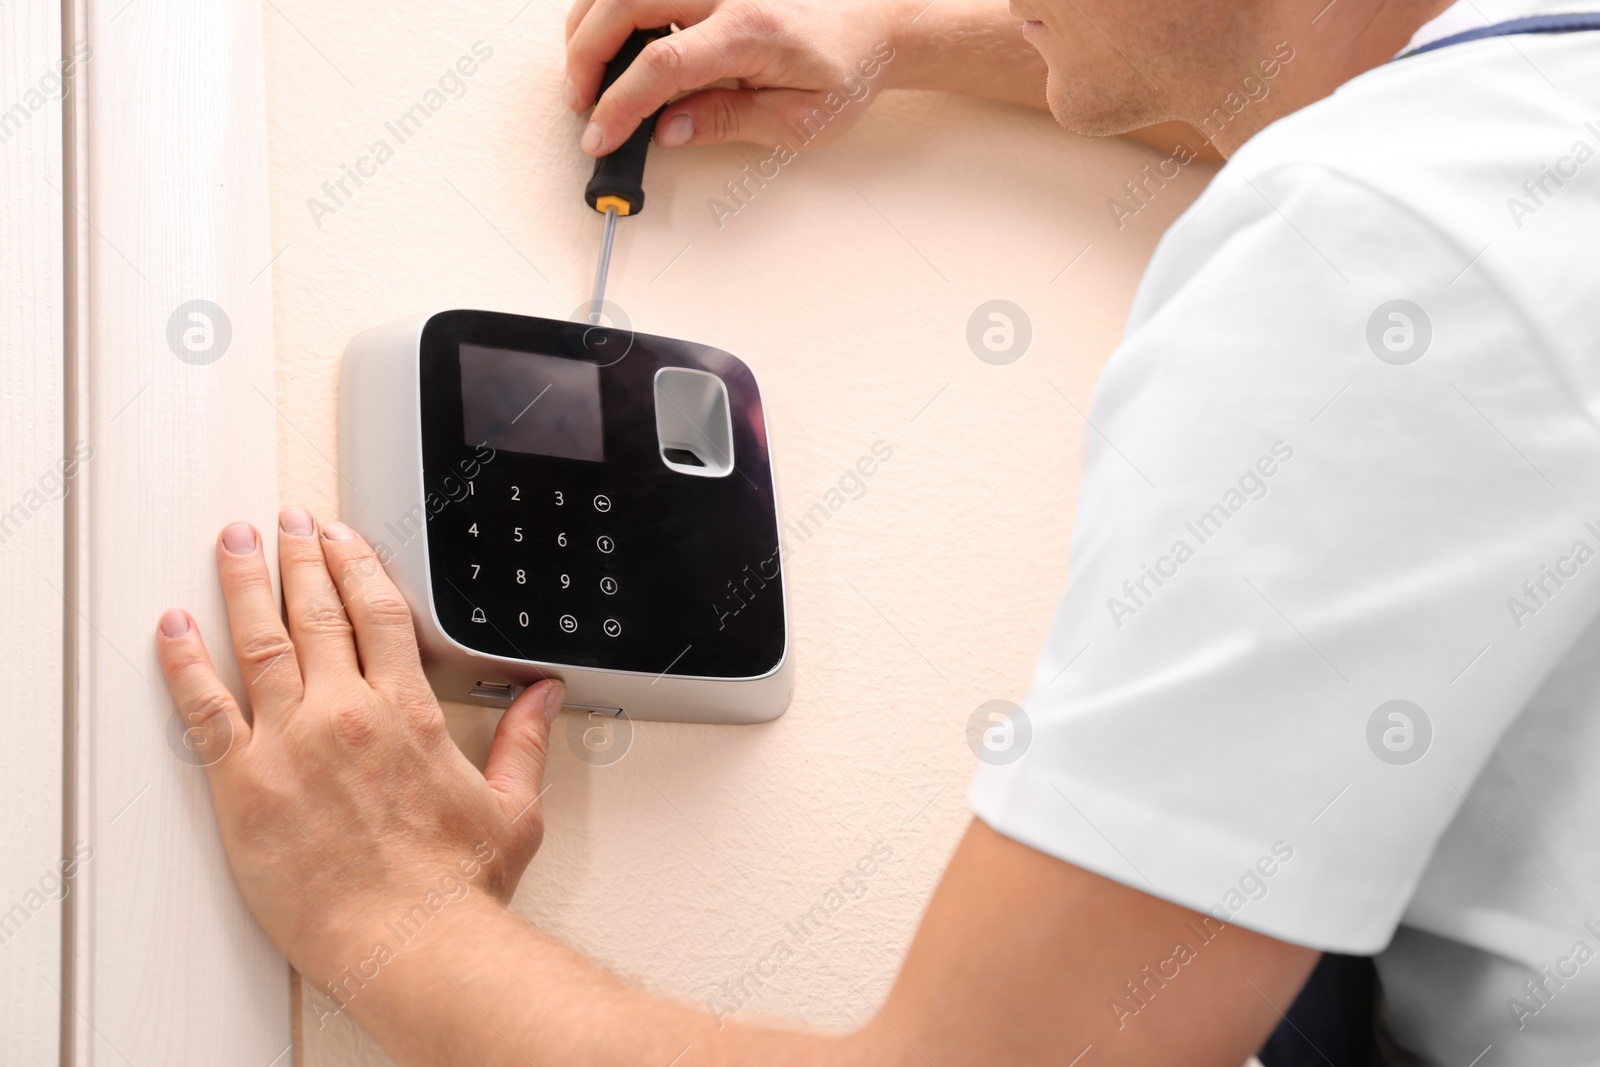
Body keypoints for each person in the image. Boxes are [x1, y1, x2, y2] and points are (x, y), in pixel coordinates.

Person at [156, 0, 1600, 1063]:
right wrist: (912, 35)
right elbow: (1296, 56)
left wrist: (386, 908)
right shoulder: (1521, 143)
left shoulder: (1374, 236)